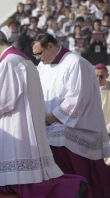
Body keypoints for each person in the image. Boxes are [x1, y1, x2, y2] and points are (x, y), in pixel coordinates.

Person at [0, 28, 89, 198]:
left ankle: (72, 186)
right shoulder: (24, 60)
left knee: (22, 179)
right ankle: (71, 185)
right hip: (25, 121)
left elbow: (5, 99)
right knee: (26, 177)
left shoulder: (9, 62)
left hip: (16, 123)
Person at [32, 33, 110, 198]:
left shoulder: (76, 63)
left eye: (40, 53)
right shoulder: (42, 66)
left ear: (51, 46)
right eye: (35, 55)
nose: (38, 58)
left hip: (79, 125)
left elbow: (76, 100)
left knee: (56, 136)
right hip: (51, 121)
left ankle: (72, 188)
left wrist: (49, 118)